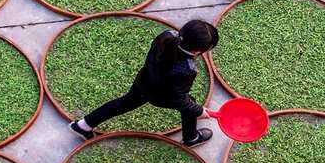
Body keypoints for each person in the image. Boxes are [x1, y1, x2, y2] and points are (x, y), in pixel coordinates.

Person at [68, 19, 218, 146]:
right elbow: (178, 98)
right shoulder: (187, 69)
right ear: (198, 52)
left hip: (145, 80)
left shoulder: (167, 36)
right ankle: (191, 138)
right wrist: (198, 111)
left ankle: (83, 125)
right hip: (159, 95)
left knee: (123, 103)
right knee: (189, 104)